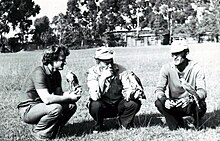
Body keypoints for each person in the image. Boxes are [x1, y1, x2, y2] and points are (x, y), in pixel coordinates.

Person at [17, 45, 82, 140]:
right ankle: (40, 134)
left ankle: (54, 130)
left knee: (71, 106)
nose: (65, 63)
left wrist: (72, 91)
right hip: (28, 109)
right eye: (62, 60)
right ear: (52, 59)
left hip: (41, 106)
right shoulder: (39, 72)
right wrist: (69, 97)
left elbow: (58, 95)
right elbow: (47, 99)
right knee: (56, 108)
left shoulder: (56, 74)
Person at [87, 47, 145, 133]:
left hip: (118, 104)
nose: (110, 65)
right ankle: (99, 125)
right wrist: (103, 78)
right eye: (106, 63)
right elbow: (95, 96)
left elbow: (128, 88)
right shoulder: (92, 73)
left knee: (134, 103)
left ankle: (124, 123)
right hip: (103, 106)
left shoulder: (121, 70)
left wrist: (133, 94)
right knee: (95, 105)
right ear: (97, 61)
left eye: (111, 61)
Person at [155, 40, 207, 130]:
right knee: (159, 102)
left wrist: (190, 99)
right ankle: (176, 122)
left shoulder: (196, 68)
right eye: (173, 54)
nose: (175, 57)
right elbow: (159, 89)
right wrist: (165, 100)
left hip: (190, 103)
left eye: (178, 53)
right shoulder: (166, 68)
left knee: (201, 103)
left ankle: (196, 121)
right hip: (174, 103)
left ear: (186, 53)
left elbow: (202, 91)